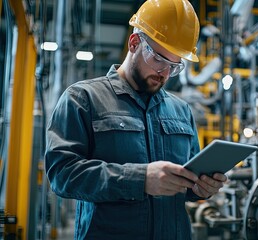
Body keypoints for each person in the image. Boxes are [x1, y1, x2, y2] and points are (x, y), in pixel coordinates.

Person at [45, 0, 227, 239]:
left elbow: (187, 181)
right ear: (134, 43)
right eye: (159, 59)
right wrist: (139, 180)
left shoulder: (181, 111)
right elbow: (62, 175)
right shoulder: (84, 98)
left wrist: (202, 188)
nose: (164, 74)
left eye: (174, 66)